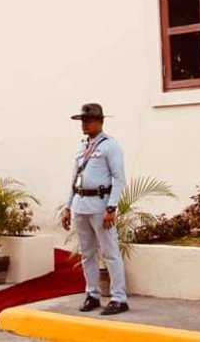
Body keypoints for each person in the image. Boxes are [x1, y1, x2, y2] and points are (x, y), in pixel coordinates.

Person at [60, 103, 129, 316]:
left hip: (100, 205)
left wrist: (112, 207)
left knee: (110, 252)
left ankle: (119, 298)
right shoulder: (82, 146)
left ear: (100, 121)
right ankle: (92, 294)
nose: (84, 124)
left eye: (88, 120)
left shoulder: (110, 146)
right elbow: (74, 179)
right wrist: (67, 206)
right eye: (82, 121)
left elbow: (118, 178)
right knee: (87, 254)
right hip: (81, 204)